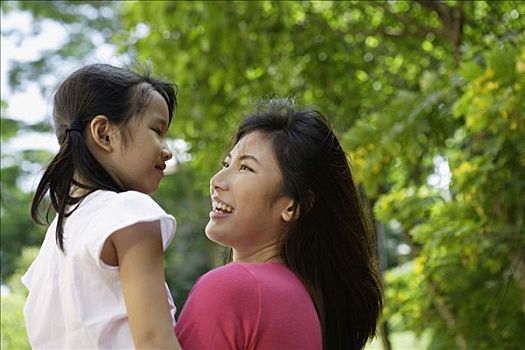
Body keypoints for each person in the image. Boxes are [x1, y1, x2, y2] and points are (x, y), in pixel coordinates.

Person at [175, 98, 383, 350]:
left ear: (292, 206)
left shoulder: (230, 290)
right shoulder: (304, 301)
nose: (217, 181)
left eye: (245, 168)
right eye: (227, 164)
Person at [22, 63, 181, 349]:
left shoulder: (52, 246)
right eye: (157, 130)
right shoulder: (129, 212)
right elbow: (154, 340)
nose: (166, 150)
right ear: (104, 133)